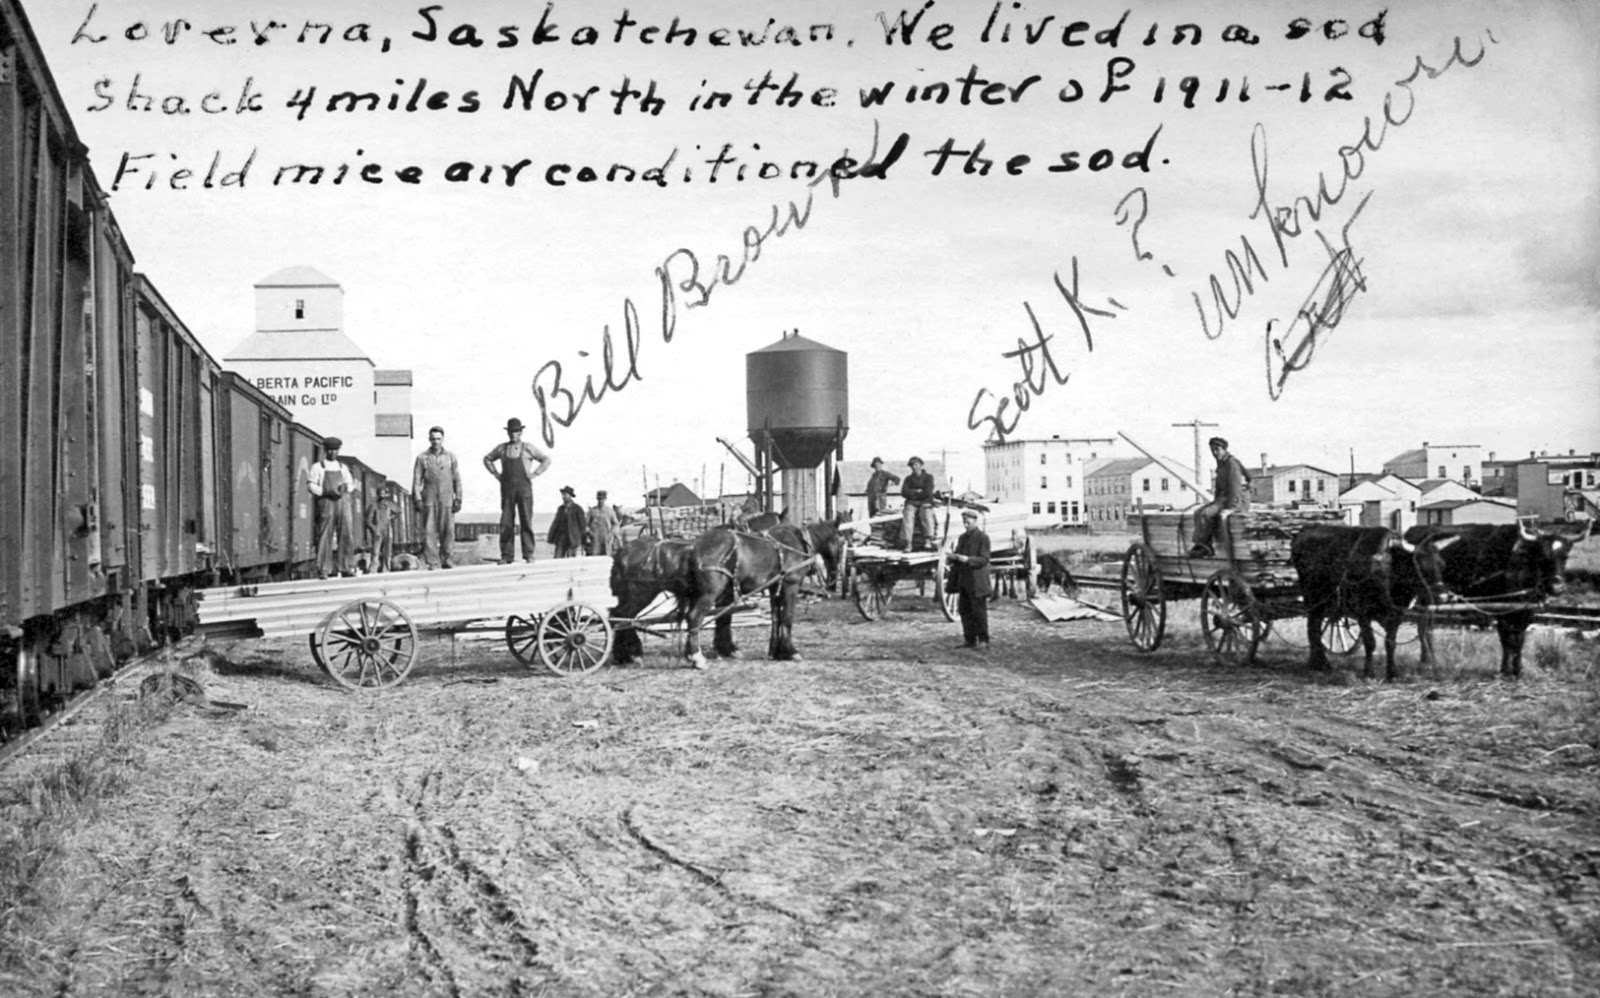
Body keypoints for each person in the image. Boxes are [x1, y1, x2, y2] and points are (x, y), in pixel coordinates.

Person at [483, 417, 551, 563]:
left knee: (526, 521)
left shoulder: (527, 448)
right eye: (511, 432)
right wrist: (495, 474)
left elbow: (546, 459)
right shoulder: (501, 448)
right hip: (507, 490)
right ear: (508, 433)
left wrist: (535, 473)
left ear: (520, 432)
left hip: (524, 489)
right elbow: (487, 459)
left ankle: (529, 554)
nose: (513, 434)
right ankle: (507, 555)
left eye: (516, 431)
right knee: (507, 522)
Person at [1189, 436, 1252, 558]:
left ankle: (1204, 547)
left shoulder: (1231, 463)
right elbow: (1218, 488)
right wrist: (1215, 504)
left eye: (1217, 449)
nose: (1215, 453)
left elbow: (1235, 487)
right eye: (1212, 450)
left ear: (1224, 449)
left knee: (1205, 514)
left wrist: (1232, 508)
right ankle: (1203, 545)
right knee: (1198, 512)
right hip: (1225, 498)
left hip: (1237, 499)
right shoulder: (1221, 465)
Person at [412, 425, 462, 570]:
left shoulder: (450, 457)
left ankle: (448, 560)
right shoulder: (422, 458)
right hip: (429, 499)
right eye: (433, 439)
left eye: (438, 439)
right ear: (429, 439)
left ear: (443, 439)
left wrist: (458, 498)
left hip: (447, 499)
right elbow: (416, 480)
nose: (436, 442)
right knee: (429, 531)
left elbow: (457, 479)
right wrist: (417, 499)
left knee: (448, 531)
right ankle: (433, 562)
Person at [306, 437, 355, 578]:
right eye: (330, 450)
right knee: (325, 534)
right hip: (326, 501)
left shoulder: (342, 467)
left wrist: (347, 487)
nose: (333, 453)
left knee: (346, 534)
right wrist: (324, 492)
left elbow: (351, 484)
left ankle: (346, 566)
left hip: (342, 501)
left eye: (335, 450)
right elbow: (310, 485)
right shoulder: (318, 467)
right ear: (325, 450)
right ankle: (324, 568)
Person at [949, 508, 992, 649]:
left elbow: (984, 559)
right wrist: (953, 557)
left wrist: (968, 559)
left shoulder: (983, 538)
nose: (965, 524)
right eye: (964, 521)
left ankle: (983, 641)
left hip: (977, 581)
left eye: (968, 521)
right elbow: (958, 555)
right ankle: (969, 640)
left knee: (979, 612)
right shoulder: (962, 538)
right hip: (964, 580)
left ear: (975, 521)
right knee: (965, 611)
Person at [900, 456, 938, 552]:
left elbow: (928, 492)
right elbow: (904, 492)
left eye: (916, 465)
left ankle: (927, 540)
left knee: (927, 513)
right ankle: (908, 543)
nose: (914, 467)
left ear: (921, 465)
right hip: (912, 503)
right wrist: (917, 492)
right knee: (907, 515)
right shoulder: (908, 479)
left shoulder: (928, 477)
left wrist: (912, 493)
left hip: (925, 502)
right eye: (912, 465)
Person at [364, 484, 400, 573]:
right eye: (381, 493)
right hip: (378, 528)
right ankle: (373, 569)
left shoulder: (389, 504)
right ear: (378, 494)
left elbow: (398, 511)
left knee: (387, 551)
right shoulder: (374, 505)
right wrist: (374, 529)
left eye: (384, 494)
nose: (383, 496)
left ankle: (386, 568)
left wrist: (391, 517)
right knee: (375, 551)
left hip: (388, 528)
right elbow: (368, 521)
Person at [548, 486, 588, 558]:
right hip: (561, 538)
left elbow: (582, 525)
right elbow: (555, 523)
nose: (563, 497)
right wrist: (551, 538)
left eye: (565, 495)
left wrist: (583, 540)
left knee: (571, 560)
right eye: (562, 495)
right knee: (557, 558)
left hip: (573, 538)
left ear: (570, 496)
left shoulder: (577, 509)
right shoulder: (560, 509)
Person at [587, 489, 621, 556]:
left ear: (605, 499)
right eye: (599, 499)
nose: (600, 501)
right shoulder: (592, 511)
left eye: (602, 499)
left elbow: (616, 524)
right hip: (595, 539)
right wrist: (590, 533)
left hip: (606, 538)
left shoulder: (609, 511)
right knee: (595, 557)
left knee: (606, 557)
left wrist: (611, 534)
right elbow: (585, 524)